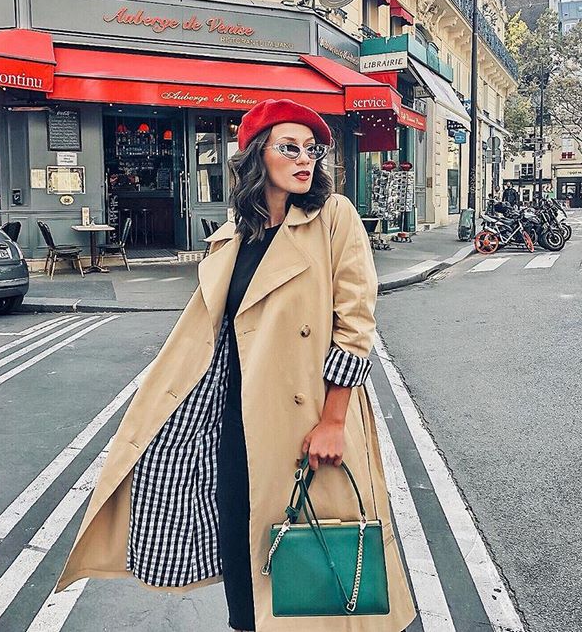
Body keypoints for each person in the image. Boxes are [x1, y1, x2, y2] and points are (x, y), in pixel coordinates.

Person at [54, 99, 417, 632]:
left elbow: (355, 324)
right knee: (245, 558)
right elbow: (213, 337)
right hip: (235, 422)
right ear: (256, 156)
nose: (304, 159)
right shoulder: (231, 237)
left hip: (309, 420)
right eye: (289, 148)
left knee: (316, 563)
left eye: (311, 150)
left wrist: (334, 419)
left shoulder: (334, 217)